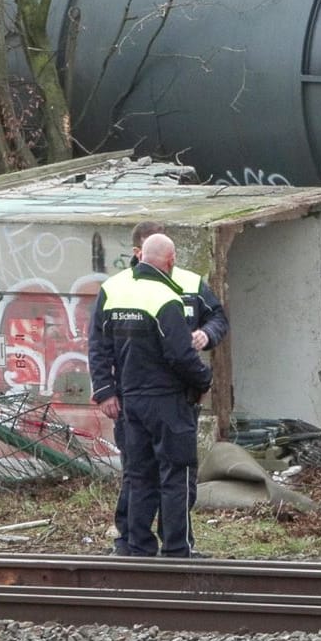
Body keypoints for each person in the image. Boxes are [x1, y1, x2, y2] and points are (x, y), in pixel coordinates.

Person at [99, 221, 228, 555]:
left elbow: (101, 345)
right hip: (168, 400)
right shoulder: (166, 296)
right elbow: (179, 354)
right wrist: (203, 381)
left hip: (132, 398)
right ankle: (176, 550)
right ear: (169, 259)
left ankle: (136, 547)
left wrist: (208, 334)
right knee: (176, 475)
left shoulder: (115, 291)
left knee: (139, 474)